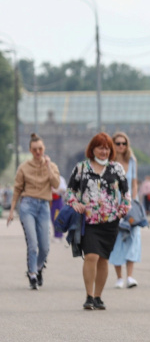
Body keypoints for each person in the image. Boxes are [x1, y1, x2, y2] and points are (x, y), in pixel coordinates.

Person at [66, 133, 131, 310]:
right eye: (100, 147)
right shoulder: (81, 168)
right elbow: (70, 191)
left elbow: (126, 193)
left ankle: (98, 296)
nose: (104, 151)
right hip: (89, 221)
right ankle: (88, 295)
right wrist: (75, 203)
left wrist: (122, 210)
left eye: (107, 148)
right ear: (92, 149)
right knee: (91, 256)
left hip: (110, 222)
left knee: (103, 259)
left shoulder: (116, 168)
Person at [8, 133, 61, 289]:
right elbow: (17, 189)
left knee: (45, 246)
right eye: (35, 149)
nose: (38, 152)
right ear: (30, 150)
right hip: (27, 206)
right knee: (33, 243)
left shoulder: (52, 166)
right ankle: (32, 274)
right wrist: (11, 210)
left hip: (44, 206)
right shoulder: (24, 167)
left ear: (44, 149)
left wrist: (48, 168)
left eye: (40, 149)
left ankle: (38, 268)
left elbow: (56, 184)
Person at [109, 132, 142, 289]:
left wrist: (133, 201)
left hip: (130, 204)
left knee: (133, 238)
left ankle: (130, 276)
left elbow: (134, 183)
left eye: (124, 143)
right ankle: (119, 277)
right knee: (116, 239)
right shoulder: (109, 162)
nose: (121, 146)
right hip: (114, 206)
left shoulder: (132, 161)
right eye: (118, 143)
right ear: (113, 145)